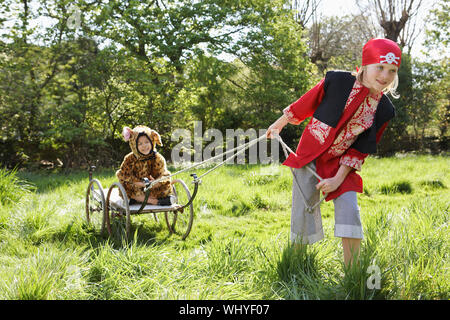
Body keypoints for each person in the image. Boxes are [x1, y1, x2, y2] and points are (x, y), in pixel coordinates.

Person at [266, 38, 401, 267]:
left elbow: (361, 150)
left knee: (349, 208)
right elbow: (306, 102)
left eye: (392, 70)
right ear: (366, 64)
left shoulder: (384, 109)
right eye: (380, 67)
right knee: (304, 208)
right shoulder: (337, 81)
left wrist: (338, 178)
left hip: (342, 165)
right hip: (310, 155)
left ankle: (353, 273)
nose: (385, 76)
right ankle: (296, 265)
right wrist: (279, 123)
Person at [116, 125, 175, 206]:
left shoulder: (157, 158)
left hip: (151, 187)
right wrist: (141, 184)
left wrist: (155, 182)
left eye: (147, 142)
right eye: (140, 143)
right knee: (126, 185)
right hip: (136, 187)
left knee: (166, 179)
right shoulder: (129, 159)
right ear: (134, 144)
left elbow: (163, 173)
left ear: (152, 141)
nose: (144, 146)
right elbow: (124, 175)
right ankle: (155, 201)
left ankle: (145, 198)